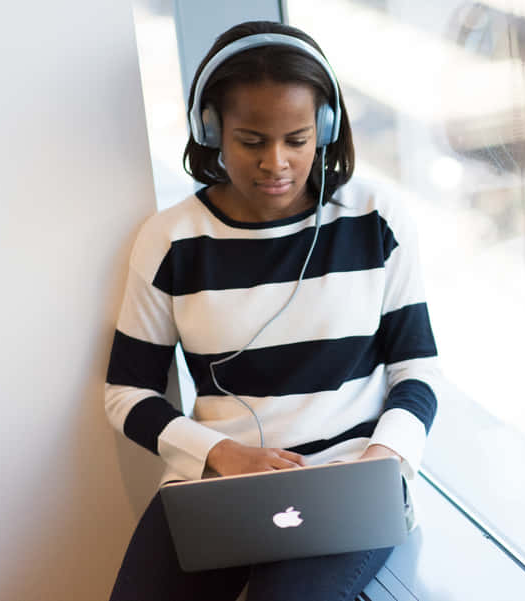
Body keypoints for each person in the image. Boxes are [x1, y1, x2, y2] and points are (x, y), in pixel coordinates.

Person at [104, 20, 439, 601]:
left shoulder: (375, 221)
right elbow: (126, 393)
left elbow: (418, 371)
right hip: (217, 484)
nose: (276, 163)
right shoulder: (170, 241)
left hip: (347, 482)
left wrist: (380, 462)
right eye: (252, 141)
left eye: (298, 139)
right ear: (211, 130)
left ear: (326, 130)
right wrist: (221, 455)